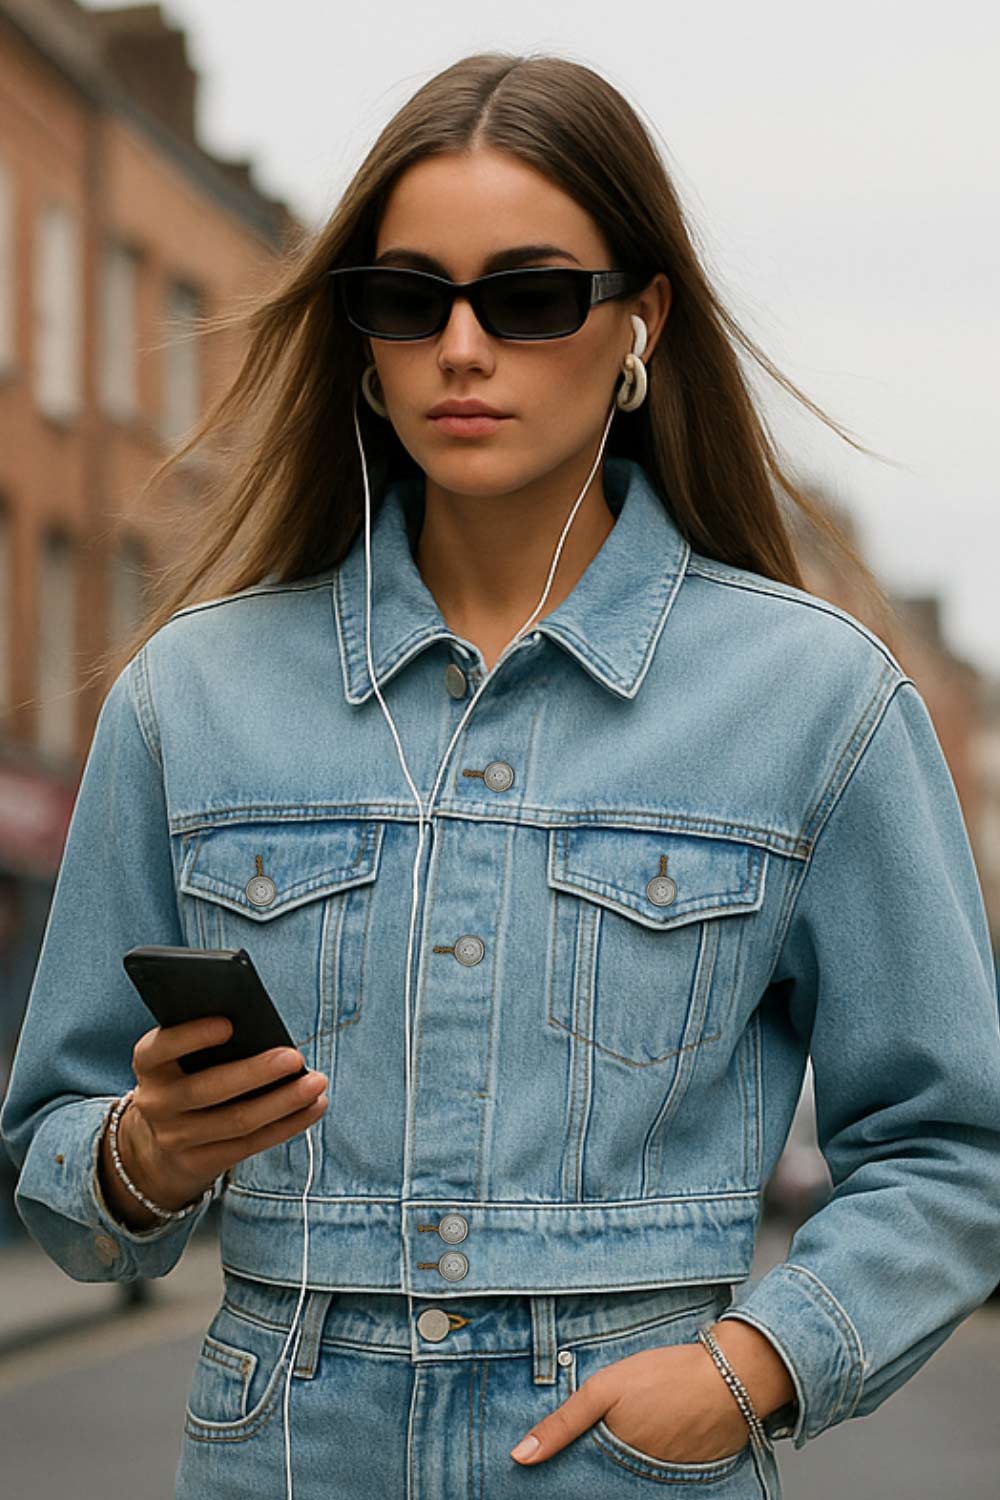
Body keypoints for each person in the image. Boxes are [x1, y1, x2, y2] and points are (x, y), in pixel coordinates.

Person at [2, 51, 999, 1500]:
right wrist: (145, 1155)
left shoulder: (816, 701)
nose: (463, 348)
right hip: (283, 1459)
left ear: (638, 322)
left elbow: (954, 1145)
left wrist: (751, 1370)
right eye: (411, 301)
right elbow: (62, 1165)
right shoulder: (188, 697)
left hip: (627, 1465)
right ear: (364, 343)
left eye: (528, 300)